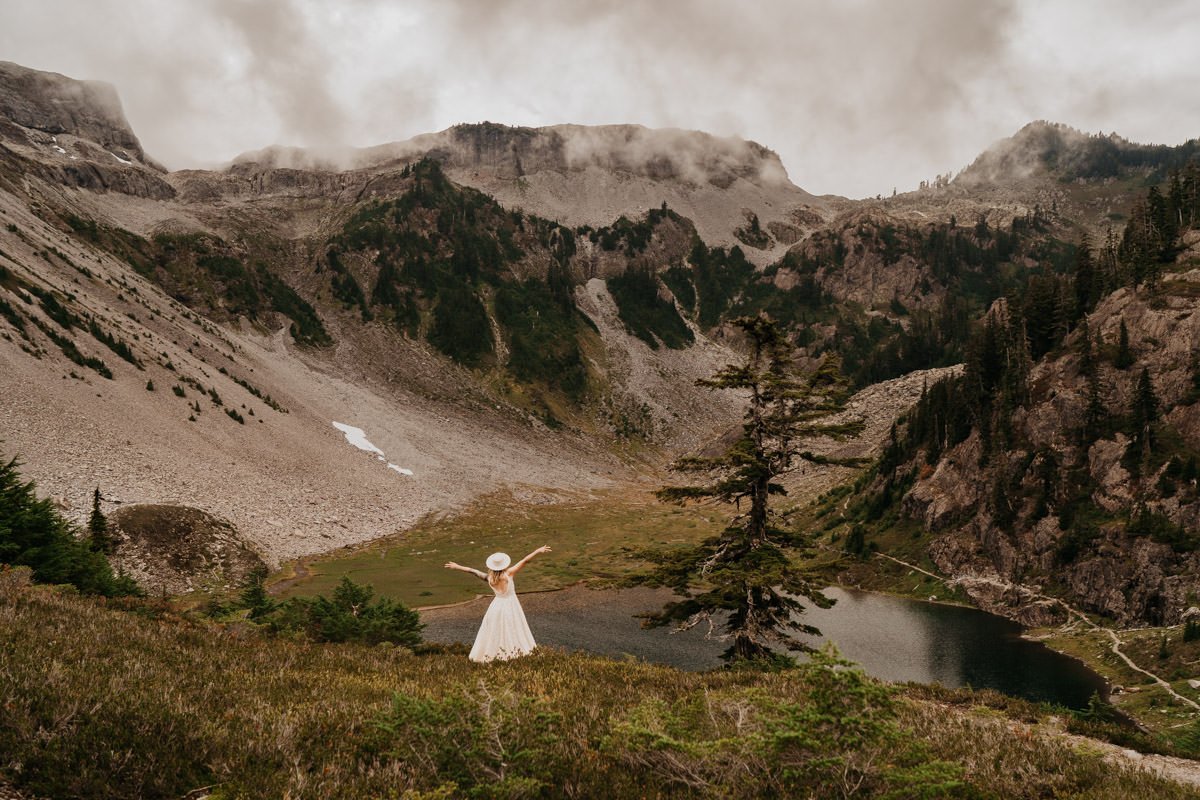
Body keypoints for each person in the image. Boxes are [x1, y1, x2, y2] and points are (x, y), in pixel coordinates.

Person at [444, 545, 551, 662]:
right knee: (513, 628)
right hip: (511, 605)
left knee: (494, 631)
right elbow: (525, 560)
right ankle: (514, 654)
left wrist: (457, 566)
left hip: (496, 606)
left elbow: (472, 571)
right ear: (504, 565)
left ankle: (493, 655)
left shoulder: (489, 578)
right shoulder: (509, 574)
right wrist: (537, 551)